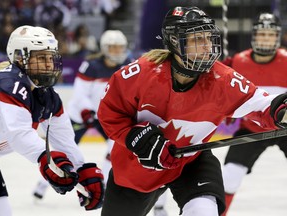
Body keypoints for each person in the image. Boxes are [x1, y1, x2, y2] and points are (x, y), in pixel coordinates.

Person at [97, 6, 287, 216]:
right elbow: (110, 113)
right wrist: (136, 138)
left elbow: (261, 104)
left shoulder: (222, 79)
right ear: (175, 42)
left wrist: (282, 111)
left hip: (192, 161)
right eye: (198, 39)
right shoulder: (140, 74)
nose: (207, 47)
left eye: (209, 38)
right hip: (137, 171)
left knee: (203, 211)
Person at [0, 25, 104, 215]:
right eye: (40, 58)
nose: (48, 64)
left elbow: (64, 140)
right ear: (19, 58)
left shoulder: (47, 96)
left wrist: (82, 170)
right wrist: (44, 158)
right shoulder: (9, 83)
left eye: (50, 57)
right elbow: (18, 133)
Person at [220, 12, 287, 216]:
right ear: (253, 36)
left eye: (270, 35)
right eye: (261, 34)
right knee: (229, 176)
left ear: (277, 37)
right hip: (251, 129)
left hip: (286, 129)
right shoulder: (237, 62)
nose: (265, 39)